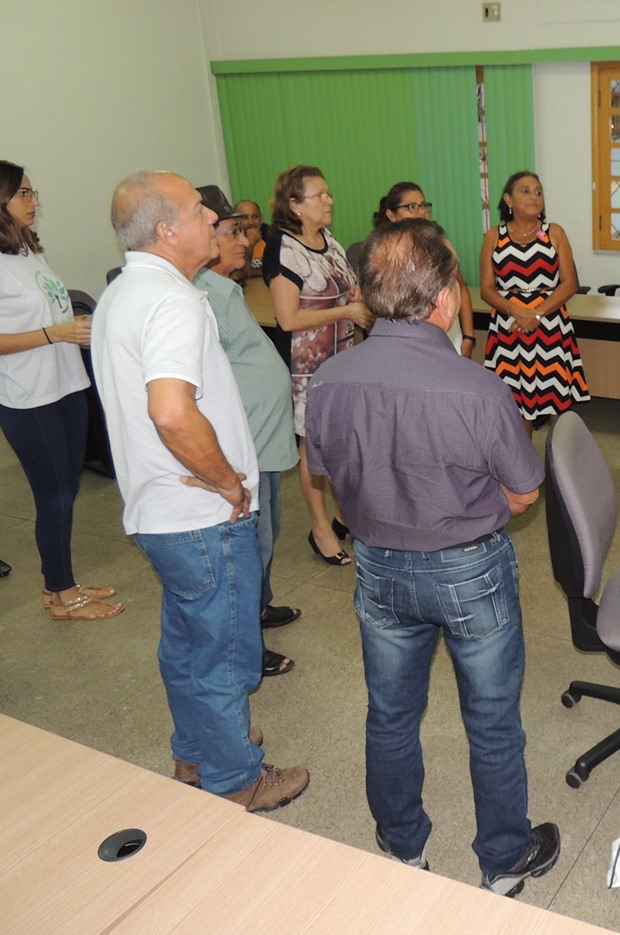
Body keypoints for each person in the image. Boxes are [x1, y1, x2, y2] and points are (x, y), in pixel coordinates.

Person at [305, 218, 560, 897]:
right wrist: (465, 512)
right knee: (493, 717)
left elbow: (325, 470)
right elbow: (525, 492)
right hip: (469, 569)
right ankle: (504, 859)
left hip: (379, 568)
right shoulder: (478, 387)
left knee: (390, 711)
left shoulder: (329, 379)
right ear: (445, 299)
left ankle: (401, 844)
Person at [92, 170, 309, 811]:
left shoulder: (124, 294)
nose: (215, 222)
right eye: (198, 212)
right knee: (225, 651)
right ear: (166, 229)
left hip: (161, 512)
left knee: (188, 641)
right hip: (202, 512)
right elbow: (171, 412)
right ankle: (236, 776)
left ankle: (199, 748)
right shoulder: (175, 301)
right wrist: (228, 482)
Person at [0, 160, 122, 621]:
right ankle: (62, 594)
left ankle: (59, 584)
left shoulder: (24, 248)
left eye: (33, 194)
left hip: (65, 385)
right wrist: (57, 334)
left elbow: (47, 315)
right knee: (53, 496)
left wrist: (75, 330)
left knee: (66, 491)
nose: (34, 202)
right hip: (28, 398)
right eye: (23, 194)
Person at [193, 185, 304, 680]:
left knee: (268, 532)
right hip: (241, 447)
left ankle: (260, 608)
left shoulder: (228, 289)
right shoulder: (200, 301)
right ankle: (246, 645)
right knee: (248, 545)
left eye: (246, 229)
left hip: (263, 438)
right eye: (233, 230)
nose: (246, 239)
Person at [263, 165, 373, 565]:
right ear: (294, 204)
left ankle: (344, 514)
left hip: (341, 360)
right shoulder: (282, 248)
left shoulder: (328, 238)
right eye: (319, 195)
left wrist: (354, 291)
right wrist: (345, 308)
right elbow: (288, 319)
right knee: (314, 447)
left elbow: (346, 282)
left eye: (328, 193)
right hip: (305, 366)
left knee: (341, 441)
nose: (329, 200)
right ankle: (320, 528)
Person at [479, 170, 589, 435]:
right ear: (508, 199)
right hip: (509, 327)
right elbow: (486, 288)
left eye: (538, 192)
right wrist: (516, 310)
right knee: (516, 406)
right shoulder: (494, 236)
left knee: (558, 405)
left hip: (549, 324)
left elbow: (569, 283)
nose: (534, 197)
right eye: (525, 191)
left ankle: (561, 469)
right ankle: (522, 471)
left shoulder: (555, 233)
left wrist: (536, 314)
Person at [356, 182, 476, 356]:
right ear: (391, 214)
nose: (421, 212)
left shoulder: (439, 244)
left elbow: (461, 289)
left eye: (424, 205)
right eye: (412, 207)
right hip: (404, 341)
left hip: (447, 329)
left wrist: (469, 337)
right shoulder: (383, 256)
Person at [234, 198, 267, 279]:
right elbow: (243, 273)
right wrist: (251, 243)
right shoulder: (231, 241)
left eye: (255, 217)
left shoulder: (270, 236)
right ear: (236, 220)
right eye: (245, 218)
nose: (251, 222)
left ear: (261, 218)